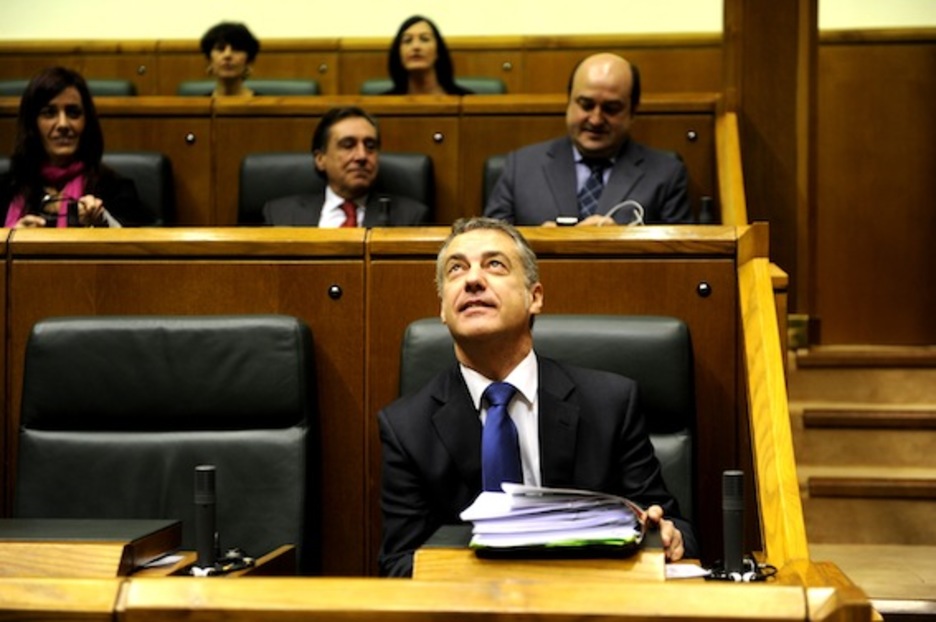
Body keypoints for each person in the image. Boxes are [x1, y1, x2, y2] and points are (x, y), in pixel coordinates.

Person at [377, 216, 698, 577]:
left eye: (495, 265)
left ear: (535, 297)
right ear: (442, 309)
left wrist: (667, 536)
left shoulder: (610, 403)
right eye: (456, 269)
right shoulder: (406, 426)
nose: (472, 279)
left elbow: (675, 528)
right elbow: (400, 564)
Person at [484, 53, 691, 226]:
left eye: (611, 109)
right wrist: (537, 243)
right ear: (569, 102)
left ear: (633, 112)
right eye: (586, 105)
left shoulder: (666, 174)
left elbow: (683, 263)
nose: (596, 119)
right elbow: (486, 248)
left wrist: (623, 241)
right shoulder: (521, 168)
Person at [0, 67, 154, 228]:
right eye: (49, 113)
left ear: (87, 122)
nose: (63, 124)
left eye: (73, 113)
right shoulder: (7, 189)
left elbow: (136, 247)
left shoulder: (114, 189)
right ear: (32, 124)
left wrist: (102, 222)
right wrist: (11, 239)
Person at [262, 106, 431, 227]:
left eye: (370, 146)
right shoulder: (280, 216)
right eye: (348, 145)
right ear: (321, 159)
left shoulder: (411, 218)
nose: (362, 156)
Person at [383, 15, 472, 95]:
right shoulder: (381, 104)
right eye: (407, 40)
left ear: (438, 51)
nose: (416, 47)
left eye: (425, 39)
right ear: (398, 53)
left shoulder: (467, 100)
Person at [200, 22, 260, 97]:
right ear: (209, 60)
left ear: (248, 61)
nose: (227, 55)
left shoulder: (266, 105)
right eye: (220, 49)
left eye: (236, 49)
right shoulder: (195, 106)